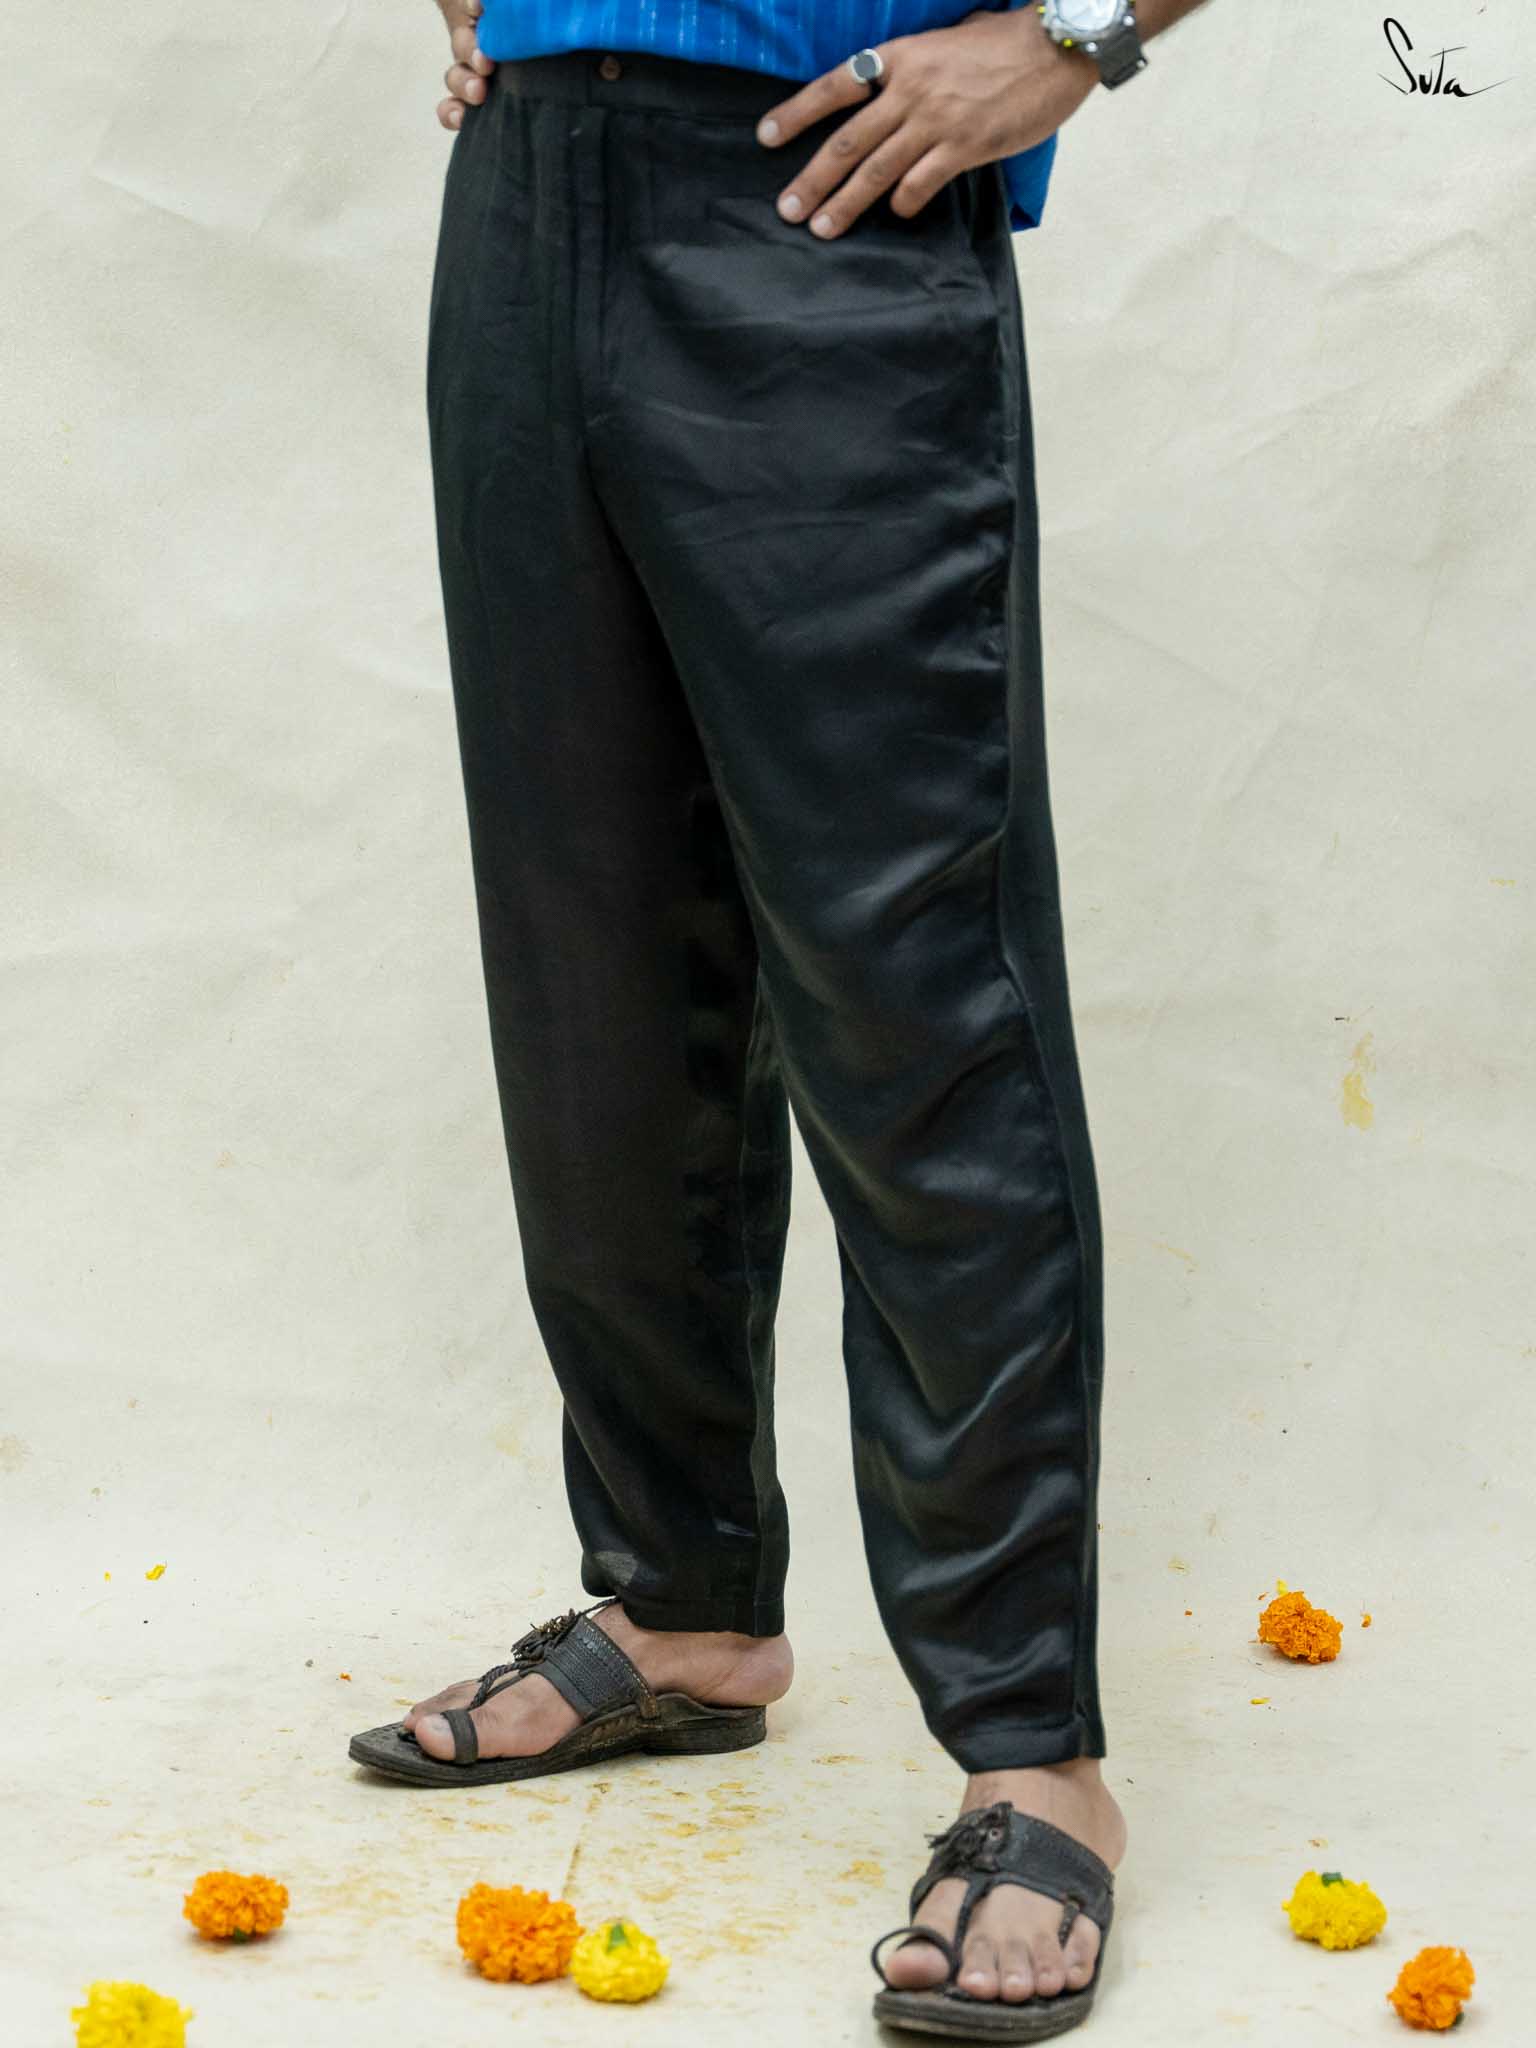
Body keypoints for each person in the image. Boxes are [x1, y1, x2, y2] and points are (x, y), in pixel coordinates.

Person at [350, 2, 1210, 2036]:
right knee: (591, 971)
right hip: (523, 199)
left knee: (917, 1002)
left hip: (828, 204)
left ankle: (1033, 1753)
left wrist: (1082, 34)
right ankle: (685, 1608)